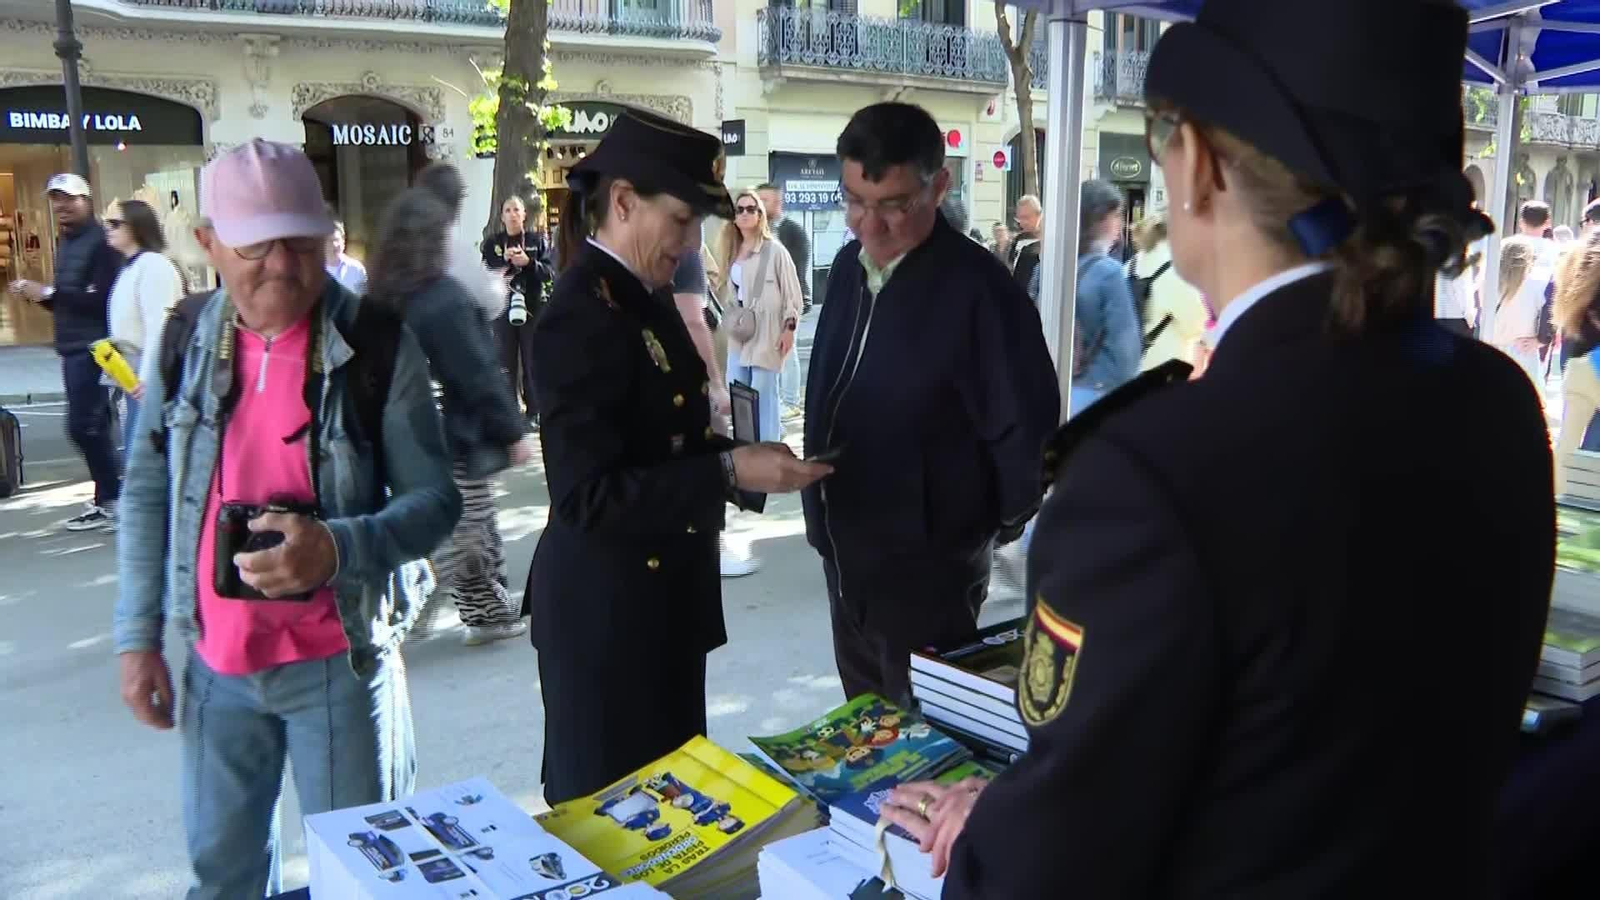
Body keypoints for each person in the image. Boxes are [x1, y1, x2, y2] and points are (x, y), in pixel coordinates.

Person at [881, 2, 1554, 894]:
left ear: (1196, 166)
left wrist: (1001, 835)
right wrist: (1026, 809)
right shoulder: (1497, 399)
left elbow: (1055, 871)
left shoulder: (1147, 479)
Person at [112, 139, 461, 899]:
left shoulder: (378, 344)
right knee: (224, 877)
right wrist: (137, 639)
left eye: (301, 244)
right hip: (217, 668)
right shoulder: (180, 343)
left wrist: (336, 549)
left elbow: (437, 501)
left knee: (366, 877)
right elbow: (145, 493)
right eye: (256, 247)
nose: (281, 266)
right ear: (208, 245)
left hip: (338, 664)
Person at [525, 108, 831, 804]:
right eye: (682, 220)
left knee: (673, 826)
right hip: (608, 624)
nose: (694, 241)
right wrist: (725, 472)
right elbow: (586, 498)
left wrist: (747, 459)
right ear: (624, 202)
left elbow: (667, 441)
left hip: (658, 611)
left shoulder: (643, 297)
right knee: (616, 829)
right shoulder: (581, 317)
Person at [803, 102, 1058, 706]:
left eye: (893, 206)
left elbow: (1027, 441)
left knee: (924, 756)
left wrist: (964, 534)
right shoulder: (846, 269)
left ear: (939, 186)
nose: (869, 225)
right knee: (864, 743)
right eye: (854, 201)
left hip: (927, 578)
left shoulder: (981, 291)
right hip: (844, 558)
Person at [371, 179, 533, 646]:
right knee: (462, 532)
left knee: (468, 525)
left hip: (403, 434)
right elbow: (477, 369)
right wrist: (513, 430)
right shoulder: (442, 298)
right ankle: (412, 610)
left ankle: (485, 613)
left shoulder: (381, 296)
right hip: (450, 434)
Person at [7, 173, 124, 531]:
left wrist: (49, 294)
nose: (60, 205)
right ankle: (109, 500)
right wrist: (42, 297)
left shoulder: (101, 243)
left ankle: (114, 500)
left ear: (86, 201)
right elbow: (69, 301)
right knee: (95, 427)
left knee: (84, 427)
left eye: (68, 198)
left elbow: (102, 301)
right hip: (74, 346)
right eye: (55, 198)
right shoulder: (68, 242)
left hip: (95, 348)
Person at [1040, 179, 1142, 412]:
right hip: (1099, 392)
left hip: (1058, 390)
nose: (1119, 225)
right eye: (1116, 216)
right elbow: (1126, 351)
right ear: (1100, 219)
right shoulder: (1109, 273)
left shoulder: (1052, 267)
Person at [715, 187, 805, 446]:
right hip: (740, 333)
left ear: (760, 215)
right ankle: (747, 448)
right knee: (739, 395)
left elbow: (792, 296)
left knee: (765, 395)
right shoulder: (731, 250)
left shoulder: (774, 251)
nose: (744, 214)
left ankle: (768, 448)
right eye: (739, 209)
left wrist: (789, 329)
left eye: (751, 209)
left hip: (767, 332)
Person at [104, 199, 184, 455]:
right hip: (131, 372)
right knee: (139, 449)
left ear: (137, 227)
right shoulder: (132, 267)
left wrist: (149, 379)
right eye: (107, 223)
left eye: (115, 223)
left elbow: (159, 326)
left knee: (143, 453)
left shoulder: (152, 266)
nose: (108, 228)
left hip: (145, 375)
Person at [481, 195, 554, 427]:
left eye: (516, 210)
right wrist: (503, 262)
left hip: (531, 306)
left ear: (524, 215)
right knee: (505, 361)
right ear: (502, 217)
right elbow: (484, 273)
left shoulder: (537, 240)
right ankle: (509, 413)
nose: (513, 214)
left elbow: (550, 273)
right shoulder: (492, 243)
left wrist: (529, 263)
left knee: (532, 359)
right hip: (503, 307)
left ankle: (534, 412)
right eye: (508, 210)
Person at [1129, 212, 1209, 370]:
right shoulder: (1175, 271)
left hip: (1129, 367)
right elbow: (1196, 325)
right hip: (1163, 370)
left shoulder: (1131, 263)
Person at [757, 182, 809, 413]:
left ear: (777, 202)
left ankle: (790, 401)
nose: (760, 205)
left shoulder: (791, 231)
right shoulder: (760, 230)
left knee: (788, 351)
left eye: (765, 200)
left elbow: (796, 270)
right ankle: (779, 400)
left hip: (788, 301)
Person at [1555, 231, 1600, 486]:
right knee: (1594, 448)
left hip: (1576, 362)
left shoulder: (1573, 268)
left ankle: (1558, 498)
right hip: (1596, 365)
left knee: (1568, 443)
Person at [1496, 236, 1551, 395]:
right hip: (1524, 350)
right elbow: (1550, 318)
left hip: (1492, 347)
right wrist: (1540, 341)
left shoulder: (1488, 281)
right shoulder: (1539, 283)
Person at [324, 218, 368, 295]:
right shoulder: (314, 270)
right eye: (330, 240)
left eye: (337, 240)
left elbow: (363, 298)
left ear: (343, 240)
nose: (335, 245)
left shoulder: (356, 269)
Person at [1008, 193, 1043, 288]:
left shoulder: (1046, 242)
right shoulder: (1017, 240)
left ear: (1038, 215)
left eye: (1026, 217)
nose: (1022, 222)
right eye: (1020, 218)